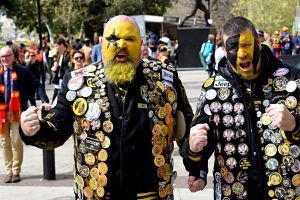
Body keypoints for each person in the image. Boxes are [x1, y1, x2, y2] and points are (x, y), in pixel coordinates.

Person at [20, 15, 195, 200]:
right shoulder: (77, 82)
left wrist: (196, 166)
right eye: (113, 39)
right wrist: (33, 131)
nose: (121, 45)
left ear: (141, 44)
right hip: (97, 194)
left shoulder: (165, 78)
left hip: (150, 194)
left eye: (129, 39)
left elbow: (187, 130)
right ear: (102, 43)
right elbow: (58, 128)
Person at [183, 16, 300, 199]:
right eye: (233, 47)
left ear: (259, 43)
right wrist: (193, 151)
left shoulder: (292, 80)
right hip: (234, 192)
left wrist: (294, 124)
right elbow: (199, 148)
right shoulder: (213, 88)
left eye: (246, 45)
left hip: (285, 192)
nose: (242, 55)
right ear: (223, 49)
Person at [0, 46, 50, 184]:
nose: (4, 59)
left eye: (7, 56)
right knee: (4, 142)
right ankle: (8, 171)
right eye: (2, 57)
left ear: (13, 57)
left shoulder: (22, 71)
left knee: (15, 140)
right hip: (2, 113)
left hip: (17, 112)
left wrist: (44, 100)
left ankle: (16, 171)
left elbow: (37, 85)